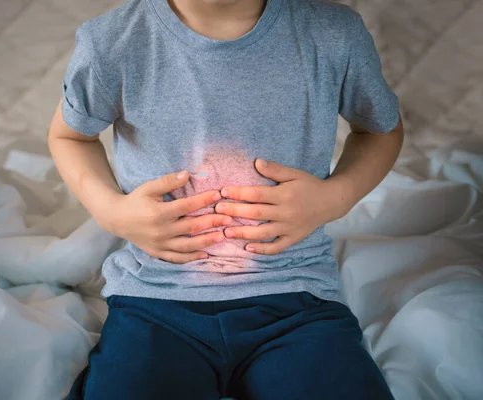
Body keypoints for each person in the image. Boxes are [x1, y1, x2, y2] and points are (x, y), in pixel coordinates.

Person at [49, 0, 403, 398]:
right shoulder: (112, 39)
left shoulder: (334, 33)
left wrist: (336, 197)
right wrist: (111, 211)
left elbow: (380, 131)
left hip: (297, 299)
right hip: (155, 299)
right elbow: (70, 136)